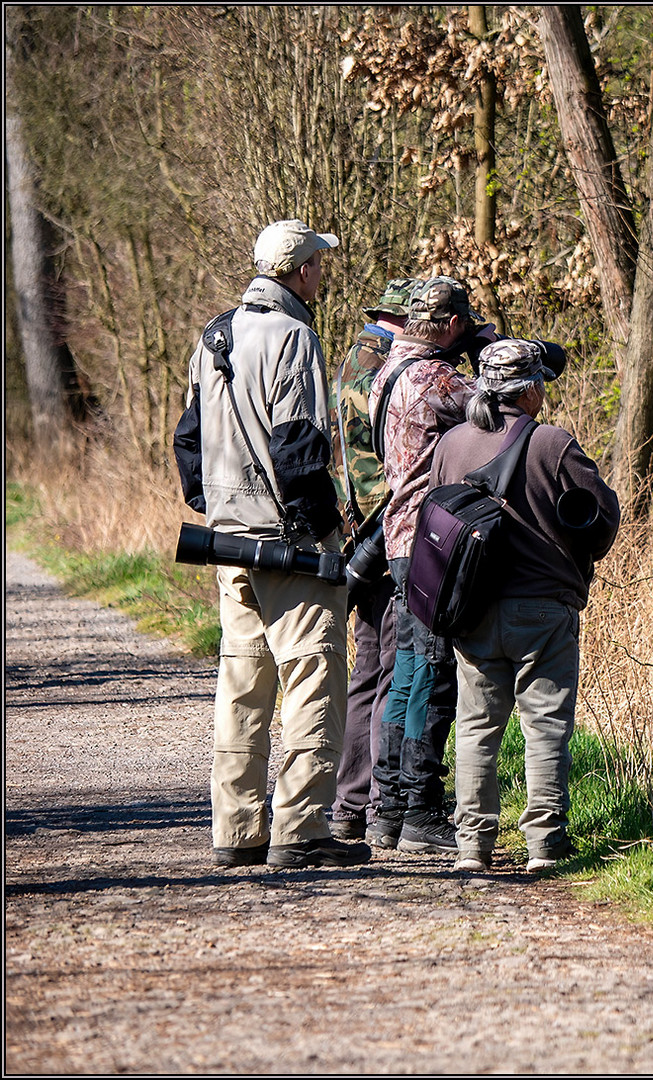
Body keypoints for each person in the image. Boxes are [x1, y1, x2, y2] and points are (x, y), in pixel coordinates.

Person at [172, 219, 370, 868]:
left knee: (243, 683)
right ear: (300, 270)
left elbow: (188, 440)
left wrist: (215, 504)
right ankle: (300, 829)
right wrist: (321, 534)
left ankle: (236, 830)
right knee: (315, 674)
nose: (322, 276)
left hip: (227, 538)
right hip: (287, 540)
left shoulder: (216, 333)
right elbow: (299, 444)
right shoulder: (292, 335)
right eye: (318, 265)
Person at [429, 338, 619, 873]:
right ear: (530, 388)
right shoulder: (553, 443)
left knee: (475, 725)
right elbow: (603, 519)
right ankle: (545, 843)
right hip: (542, 609)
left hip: (471, 607)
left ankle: (473, 846)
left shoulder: (451, 445)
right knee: (547, 724)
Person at [366, 276, 500, 854]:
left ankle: (388, 809)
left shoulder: (388, 369)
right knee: (433, 674)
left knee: (406, 674)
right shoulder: (433, 377)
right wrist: (492, 346)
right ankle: (420, 808)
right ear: (448, 327)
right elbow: (499, 407)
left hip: (398, 539)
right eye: (462, 325)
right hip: (432, 543)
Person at [327, 278, 422, 840]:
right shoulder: (380, 366)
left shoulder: (354, 357)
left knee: (368, 668)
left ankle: (350, 803)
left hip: (354, 534)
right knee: (389, 668)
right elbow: (375, 471)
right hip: (378, 537)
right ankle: (376, 803)